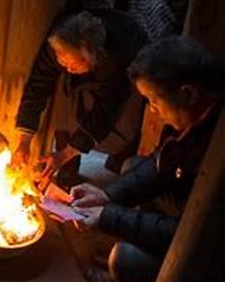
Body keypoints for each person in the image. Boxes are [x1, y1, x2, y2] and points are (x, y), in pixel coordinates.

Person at [71, 36, 224, 282]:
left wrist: (108, 216)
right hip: (185, 201)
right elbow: (161, 163)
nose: (152, 110)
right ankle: (136, 246)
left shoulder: (217, 152)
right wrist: (108, 197)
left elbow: (187, 233)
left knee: (125, 260)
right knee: (133, 166)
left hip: (210, 255)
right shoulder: (195, 118)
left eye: (153, 100)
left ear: (188, 93)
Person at [11, 10, 148, 184]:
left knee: (122, 120)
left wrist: (65, 154)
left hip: (131, 61)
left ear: (93, 57)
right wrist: (24, 142)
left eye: (74, 65)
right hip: (95, 59)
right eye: (63, 61)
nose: (68, 68)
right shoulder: (58, 42)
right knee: (65, 93)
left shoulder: (116, 60)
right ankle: (68, 168)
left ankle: (119, 158)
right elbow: (37, 87)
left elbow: (104, 110)